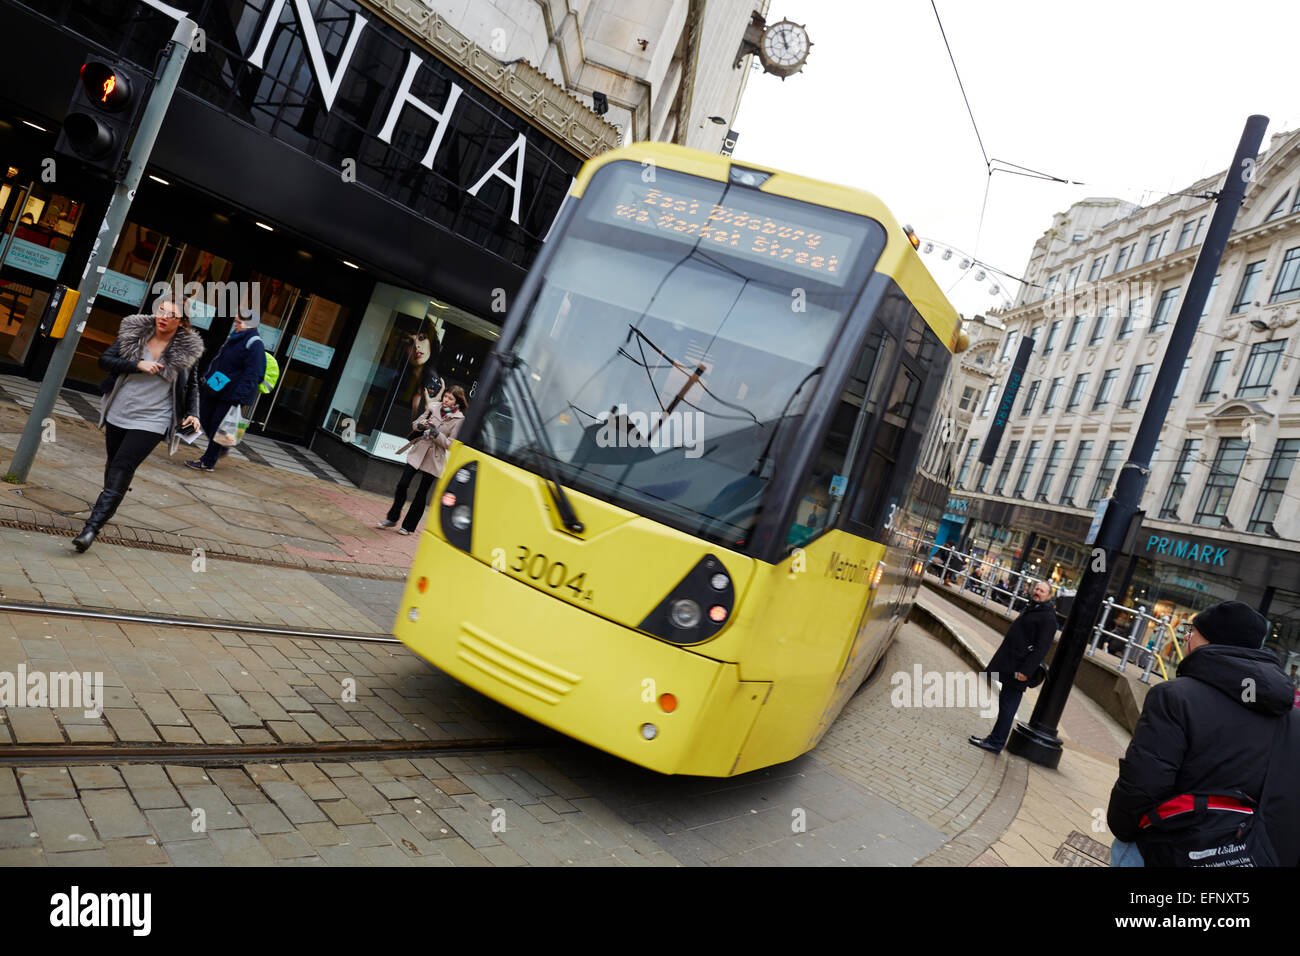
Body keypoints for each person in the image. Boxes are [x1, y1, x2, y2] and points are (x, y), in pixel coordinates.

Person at [1107, 601, 1300, 867]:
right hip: (1245, 855)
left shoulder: (1175, 697)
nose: (1185, 637)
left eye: (1191, 631)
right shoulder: (1290, 716)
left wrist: (1124, 829)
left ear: (1210, 640)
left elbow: (1143, 782)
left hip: (1164, 848)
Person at [75, 295, 204, 551]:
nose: (163, 317)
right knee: (114, 464)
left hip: (153, 420)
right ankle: (109, 501)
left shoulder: (187, 349)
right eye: (161, 311)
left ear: (181, 322)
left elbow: (192, 386)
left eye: (171, 315)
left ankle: (91, 528)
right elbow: (105, 361)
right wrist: (137, 364)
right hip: (120, 410)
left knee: (123, 465)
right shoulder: (136, 334)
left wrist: (193, 413)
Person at [969, 579, 1057, 754]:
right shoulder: (1034, 608)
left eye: (1042, 591)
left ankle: (996, 742)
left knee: (1008, 707)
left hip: (1019, 670)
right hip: (1011, 664)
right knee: (1005, 705)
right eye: (1037, 588)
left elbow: (1041, 648)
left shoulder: (1048, 617)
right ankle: (993, 739)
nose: (1037, 592)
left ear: (1049, 596)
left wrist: (1026, 671)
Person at [186, 306, 267, 472]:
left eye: (238, 322)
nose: (235, 324)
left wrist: (239, 397)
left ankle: (208, 462)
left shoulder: (254, 344)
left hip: (232, 394)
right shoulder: (235, 337)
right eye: (235, 321)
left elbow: (254, 373)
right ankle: (221, 447)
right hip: (217, 387)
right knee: (204, 417)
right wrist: (207, 380)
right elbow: (219, 361)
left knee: (218, 426)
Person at [379, 384, 467, 535]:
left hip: (435, 457)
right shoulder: (433, 407)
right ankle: (392, 518)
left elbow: (450, 444)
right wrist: (421, 425)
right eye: (445, 396)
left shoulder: (459, 419)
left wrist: (435, 433)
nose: (446, 400)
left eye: (450, 398)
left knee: (421, 493)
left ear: (457, 402)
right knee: (402, 484)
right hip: (419, 450)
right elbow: (415, 424)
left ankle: (408, 526)